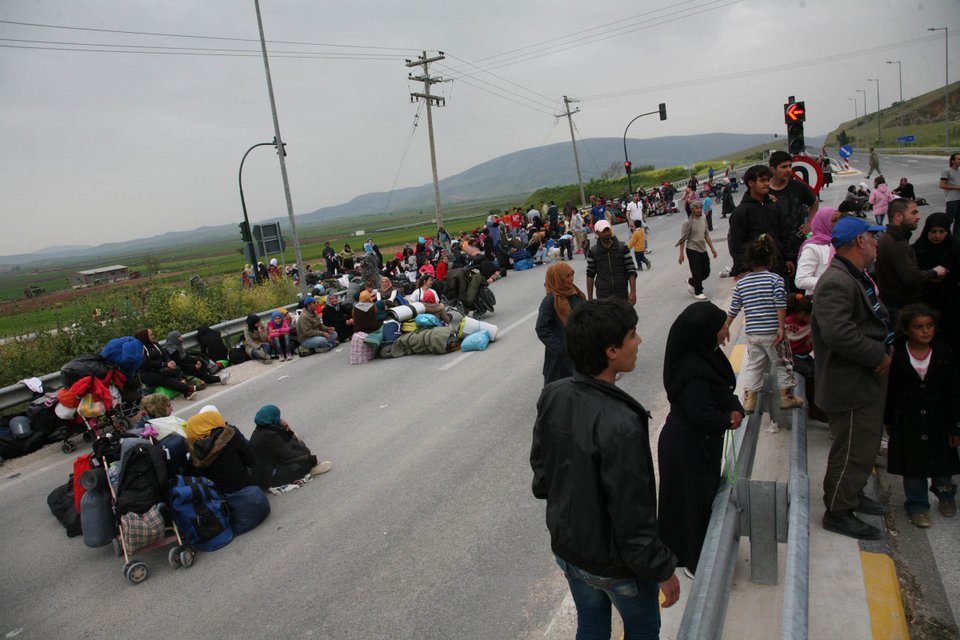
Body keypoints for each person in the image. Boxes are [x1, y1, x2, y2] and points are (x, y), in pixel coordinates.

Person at [530, 299, 680, 639]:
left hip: (569, 551)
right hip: (615, 566)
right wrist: (662, 571)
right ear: (611, 351)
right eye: (632, 335)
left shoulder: (554, 394)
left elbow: (542, 474)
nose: (639, 341)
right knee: (642, 631)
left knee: (592, 626)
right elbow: (633, 514)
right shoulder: (621, 421)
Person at [812, 216, 892, 540]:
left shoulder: (854, 276)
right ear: (860, 241)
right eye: (872, 238)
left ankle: (853, 494)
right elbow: (839, 333)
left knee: (864, 444)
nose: (876, 243)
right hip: (851, 382)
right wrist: (877, 355)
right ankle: (838, 510)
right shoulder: (836, 281)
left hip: (864, 379)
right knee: (851, 448)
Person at [658, 302, 743, 577]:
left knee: (700, 500)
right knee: (691, 506)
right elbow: (703, 414)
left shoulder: (705, 354)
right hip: (687, 448)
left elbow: (720, 390)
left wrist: (734, 405)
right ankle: (696, 563)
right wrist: (729, 419)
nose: (724, 332)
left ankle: (699, 552)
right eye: (721, 328)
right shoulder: (691, 370)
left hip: (699, 443)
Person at [884, 304, 960, 527]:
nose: (925, 331)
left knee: (943, 465)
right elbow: (891, 391)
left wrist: (955, 426)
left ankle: (946, 496)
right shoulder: (896, 355)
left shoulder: (944, 353)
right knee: (913, 466)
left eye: (929, 326)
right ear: (907, 330)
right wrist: (889, 420)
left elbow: (954, 391)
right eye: (919, 327)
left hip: (940, 420)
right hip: (909, 420)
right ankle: (917, 505)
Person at [720, 235, 804, 413]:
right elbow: (780, 303)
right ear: (771, 259)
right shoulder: (775, 280)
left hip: (753, 333)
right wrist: (781, 327)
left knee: (754, 365)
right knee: (783, 362)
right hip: (772, 332)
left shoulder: (742, 283)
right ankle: (787, 397)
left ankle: (749, 400)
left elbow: (734, 308)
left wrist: (726, 326)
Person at [876, 198, 948, 324]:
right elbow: (911, 276)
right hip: (901, 305)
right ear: (898, 216)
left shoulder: (889, 237)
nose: (918, 216)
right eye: (914, 213)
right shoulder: (897, 242)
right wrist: (935, 272)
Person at [727, 164, 794, 278]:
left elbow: (784, 234)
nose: (767, 183)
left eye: (768, 180)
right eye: (762, 180)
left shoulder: (774, 207)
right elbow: (736, 244)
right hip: (754, 272)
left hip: (779, 268)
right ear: (750, 183)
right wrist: (743, 269)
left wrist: (788, 258)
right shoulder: (740, 212)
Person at [250, 404, 333, 494]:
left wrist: (287, 429)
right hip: (271, 477)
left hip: (268, 470)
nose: (280, 418)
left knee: (297, 445)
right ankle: (306, 470)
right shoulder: (269, 436)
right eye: (278, 416)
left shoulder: (261, 430)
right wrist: (308, 457)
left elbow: (286, 439)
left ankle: (304, 469)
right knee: (304, 458)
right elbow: (287, 455)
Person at [913, 212, 960, 355]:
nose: (938, 236)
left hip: (952, 302)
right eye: (933, 231)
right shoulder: (917, 249)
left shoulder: (955, 249)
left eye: (942, 231)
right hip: (927, 302)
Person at [184, 410, 258, 494]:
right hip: (242, 485)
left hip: (216, 494)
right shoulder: (231, 434)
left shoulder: (194, 450)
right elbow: (250, 459)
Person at [535, 262, 584, 384]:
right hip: (559, 360)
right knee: (558, 394)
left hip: (579, 354)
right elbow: (542, 328)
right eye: (567, 276)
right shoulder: (550, 300)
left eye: (572, 275)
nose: (571, 279)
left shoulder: (576, 294)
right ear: (558, 278)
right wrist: (561, 348)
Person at [768, 150, 819, 265]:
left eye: (790, 166)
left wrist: (810, 223)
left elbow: (815, 202)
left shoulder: (798, 187)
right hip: (774, 246)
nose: (788, 170)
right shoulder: (765, 190)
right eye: (783, 167)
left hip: (797, 243)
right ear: (772, 169)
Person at [134, 328, 196, 399]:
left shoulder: (155, 344)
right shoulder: (141, 349)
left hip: (159, 369)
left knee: (174, 370)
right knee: (163, 378)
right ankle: (187, 388)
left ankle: (186, 393)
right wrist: (165, 364)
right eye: (151, 335)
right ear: (145, 337)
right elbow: (148, 363)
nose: (153, 336)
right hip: (148, 373)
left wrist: (169, 361)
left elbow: (164, 353)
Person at [586, 220, 637, 303]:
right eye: (603, 231)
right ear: (597, 233)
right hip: (603, 297)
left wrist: (633, 292)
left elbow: (631, 271)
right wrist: (590, 299)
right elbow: (590, 275)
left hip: (622, 296)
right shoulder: (593, 252)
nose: (607, 233)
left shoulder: (622, 247)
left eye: (608, 230)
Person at [678, 200, 718, 300]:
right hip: (692, 249)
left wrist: (712, 249)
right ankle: (698, 292)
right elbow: (682, 239)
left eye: (700, 208)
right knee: (696, 271)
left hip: (702, 249)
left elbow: (706, 234)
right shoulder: (687, 223)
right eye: (696, 208)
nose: (699, 210)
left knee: (706, 272)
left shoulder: (703, 218)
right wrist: (681, 254)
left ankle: (691, 281)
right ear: (692, 210)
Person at [794, 206, 838, 296]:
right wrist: (833, 282)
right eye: (834, 221)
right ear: (823, 222)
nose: (837, 224)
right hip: (820, 300)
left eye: (838, 220)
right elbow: (801, 280)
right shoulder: (812, 248)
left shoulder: (835, 242)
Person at [164, 331, 229, 385]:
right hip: (186, 369)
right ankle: (220, 379)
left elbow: (186, 356)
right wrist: (194, 366)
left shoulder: (177, 347)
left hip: (188, 364)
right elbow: (179, 364)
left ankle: (210, 376)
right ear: (175, 339)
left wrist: (196, 361)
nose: (182, 338)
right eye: (179, 337)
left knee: (201, 361)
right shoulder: (172, 350)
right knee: (200, 374)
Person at [940, 152, 960, 237]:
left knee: (959, 220)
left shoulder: (959, 171)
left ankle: (955, 238)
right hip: (952, 200)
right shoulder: (946, 171)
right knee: (949, 220)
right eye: (959, 159)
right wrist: (957, 187)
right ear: (952, 161)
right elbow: (942, 185)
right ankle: (944, 237)